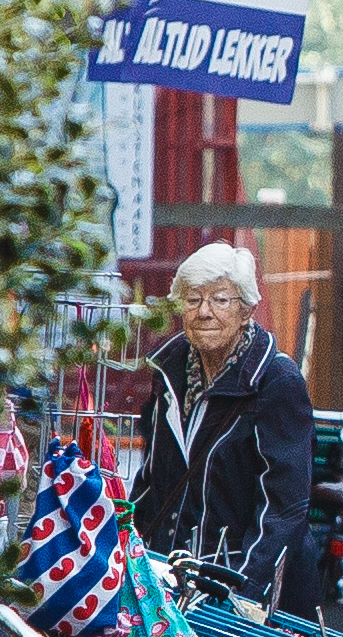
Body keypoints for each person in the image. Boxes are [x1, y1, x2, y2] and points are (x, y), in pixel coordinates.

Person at [124, 240, 318, 611]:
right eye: (193, 299)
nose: (205, 312)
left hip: (240, 590)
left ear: (246, 310)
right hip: (172, 581)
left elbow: (283, 508)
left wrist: (240, 592)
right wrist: (131, 558)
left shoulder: (275, 381)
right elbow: (150, 483)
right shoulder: (168, 372)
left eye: (220, 299)